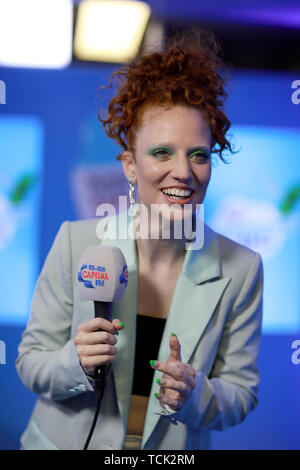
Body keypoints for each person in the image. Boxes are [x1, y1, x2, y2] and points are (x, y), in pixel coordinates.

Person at [16, 29, 263, 450]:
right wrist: (74, 362)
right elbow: (30, 362)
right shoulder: (76, 243)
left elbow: (241, 392)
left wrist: (195, 393)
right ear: (130, 166)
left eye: (198, 154)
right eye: (162, 153)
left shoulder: (243, 267)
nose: (183, 171)